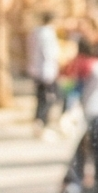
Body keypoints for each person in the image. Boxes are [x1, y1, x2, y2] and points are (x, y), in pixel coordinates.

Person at [28, 11, 61, 139]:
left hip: (36, 70)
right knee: (50, 98)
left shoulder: (35, 32)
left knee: (41, 98)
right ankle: (42, 123)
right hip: (46, 71)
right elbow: (49, 54)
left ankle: (38, 122)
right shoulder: (48, 34)